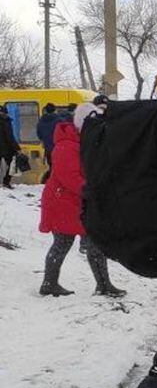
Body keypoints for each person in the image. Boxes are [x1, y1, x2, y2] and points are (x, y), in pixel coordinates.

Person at [37, 103, 125, 298]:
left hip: (79, 203)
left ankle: (104, 285)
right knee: (62, 244)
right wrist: (94, 191)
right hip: (63, 203)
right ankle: (49, 284)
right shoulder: (66, 145)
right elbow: (69, 177)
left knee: (94, 244)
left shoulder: (85, 142)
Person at [35, 103, 61, 170]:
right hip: (58, 148)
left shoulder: (41, 121)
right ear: (55, 110)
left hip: (47, 149)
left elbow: (39, 135)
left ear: (45, 110)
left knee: (51, 167)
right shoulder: (59, 121)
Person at [0, 104, 20, 189]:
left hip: (4, 148)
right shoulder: (5, 121)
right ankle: (6, 182)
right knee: (13, 165)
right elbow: (9, 137)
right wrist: (17, 148)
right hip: (6, 149)